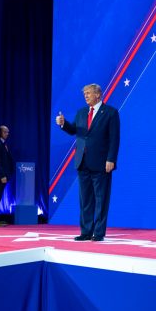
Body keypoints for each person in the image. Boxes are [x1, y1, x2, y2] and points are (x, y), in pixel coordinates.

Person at [55, 83, 120, 242]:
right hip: (82, 162)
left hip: (101, 163)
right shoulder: (82, 112)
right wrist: (63, 123)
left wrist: (111, 159)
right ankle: (85, 231)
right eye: (84, 94)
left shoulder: (110, 113)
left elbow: (114, 138)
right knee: (85, 199)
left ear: (98, 94)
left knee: (101, 199)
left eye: (88, 93)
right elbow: (74, 130)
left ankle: (98, 233)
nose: (86, 96)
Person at [0, 125, 15, 226]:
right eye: (5, 132)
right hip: (0, 177)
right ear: (0, 133)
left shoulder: (4, 144)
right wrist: (2, 175)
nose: (7, 134)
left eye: (8, 132)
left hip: (6, 175)